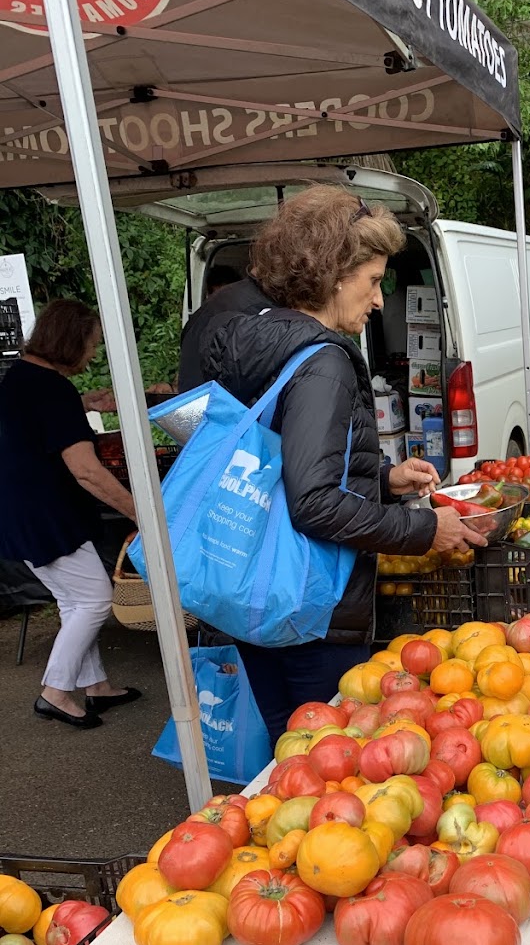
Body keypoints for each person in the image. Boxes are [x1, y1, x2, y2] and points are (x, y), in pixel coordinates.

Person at [196, 186, 487, 742]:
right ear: (330, 273)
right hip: (310, 607)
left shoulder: (256, 340)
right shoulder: (324, 363)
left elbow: (282, 464)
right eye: (372, 281)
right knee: (329, 752)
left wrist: (382, 477)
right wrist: (425, 528)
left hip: (254, 588)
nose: (378, 301)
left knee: (289, 746)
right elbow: (313, 503)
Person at [0, 300, 142, 729]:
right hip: (46, 516)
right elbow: (87, 471)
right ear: (70, 340)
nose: (92, 354)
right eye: (91, 344)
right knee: (94, 599)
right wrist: (141, 512)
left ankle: (95, 685)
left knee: (73, 600)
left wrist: (83, 403)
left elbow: (34, 419)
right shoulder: (52, 389)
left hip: (20, 511)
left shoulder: (20, 376)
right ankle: (55, 692)